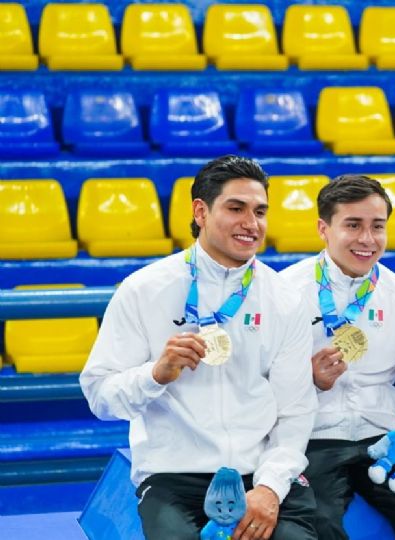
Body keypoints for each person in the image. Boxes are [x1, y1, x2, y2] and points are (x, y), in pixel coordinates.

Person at [80, 155, 318, 540]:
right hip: (174, 473)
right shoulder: (144, 289)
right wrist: (154, 375)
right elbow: (100, 397)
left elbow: (296, 411)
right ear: (200, 211)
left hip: (256, 472)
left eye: (260, 211)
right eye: (235, 208)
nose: (251, 223)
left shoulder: (285, 299)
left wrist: (270, 487)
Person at [279, 175, 395, 539]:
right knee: (318, 521)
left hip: (385, 436)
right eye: (353, 225)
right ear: (324, 229)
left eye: (378, 227)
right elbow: (258, 382)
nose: (367, 239)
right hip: (313, 438)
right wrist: (305, 380)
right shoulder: (285, 292)